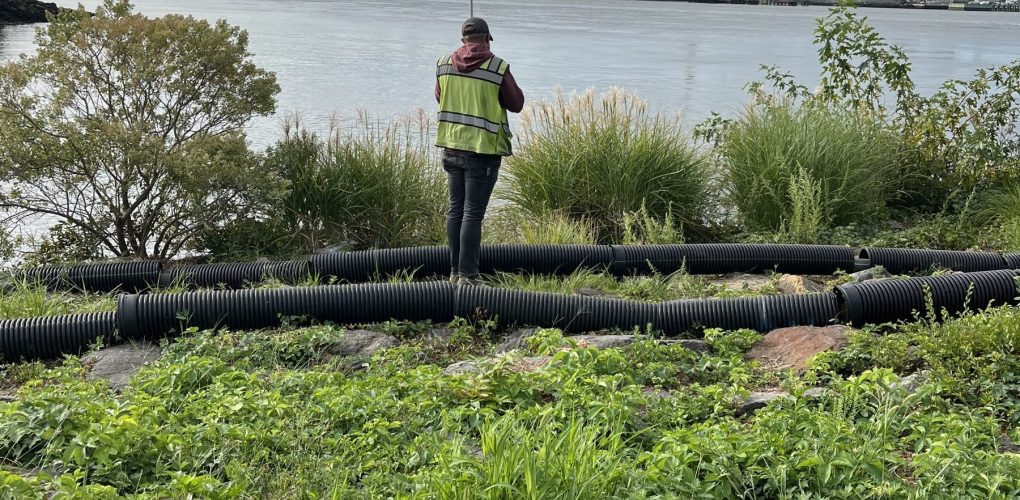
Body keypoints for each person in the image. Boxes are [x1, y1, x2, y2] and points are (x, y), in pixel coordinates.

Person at [435, 17, 524, 287]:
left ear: (463, 40)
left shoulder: (443, 63)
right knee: (472, 214)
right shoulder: (497, 67)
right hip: (482, 151)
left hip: (451, 146)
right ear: (487, 39)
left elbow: (440, 97)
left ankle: (455, 272)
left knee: (455, 210)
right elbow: (516, 104)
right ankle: (469, 276)